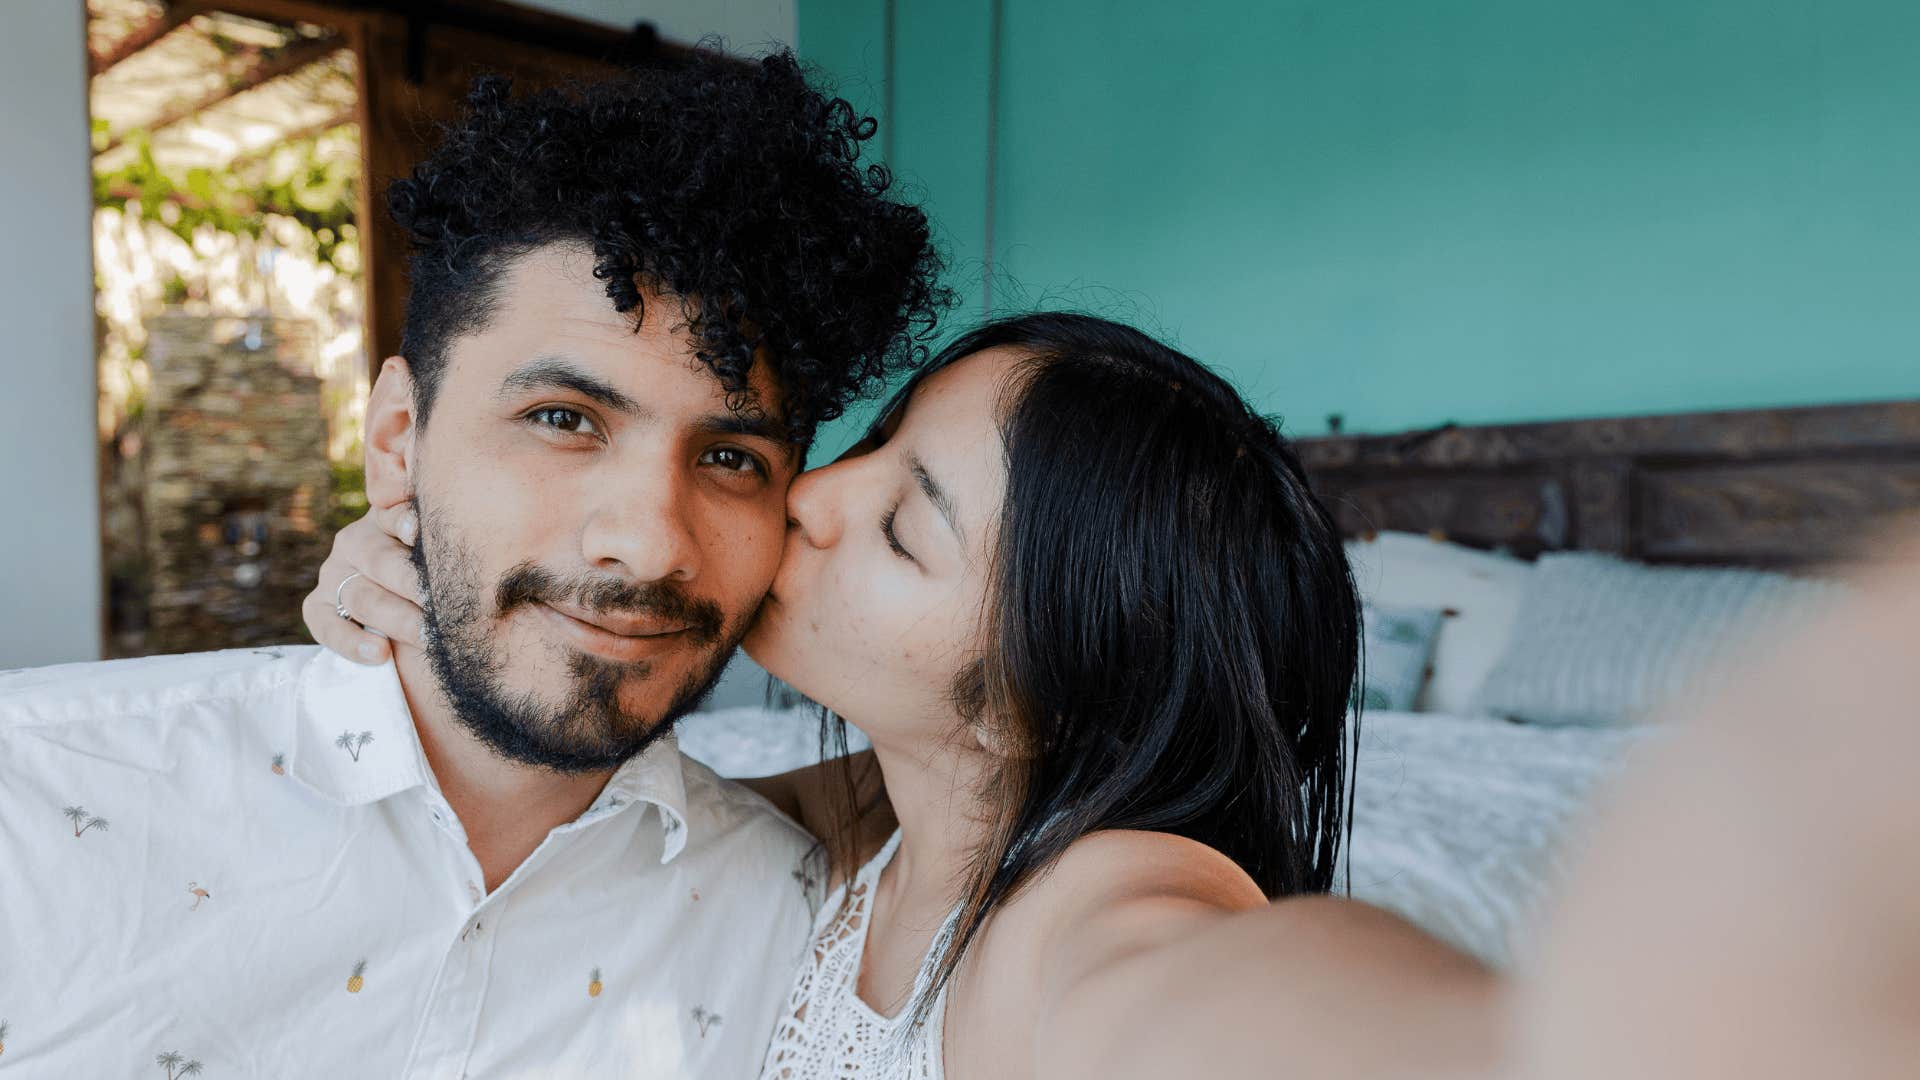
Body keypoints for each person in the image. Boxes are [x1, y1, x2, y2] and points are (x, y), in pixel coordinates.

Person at [0, 50, 946, 1077]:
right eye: (561, 420)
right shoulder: (35, 802)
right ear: (399, 439)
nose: (651, 542)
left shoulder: (803, 915)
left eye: (729, 457)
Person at [309, 313, 1501, 1079]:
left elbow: (1208, 996)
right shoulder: (862, 827)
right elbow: (577, 821)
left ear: (1035, 695)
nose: (810, 495)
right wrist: (442, 613)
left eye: (901, 527)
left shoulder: (1095, 894)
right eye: (874, 442)